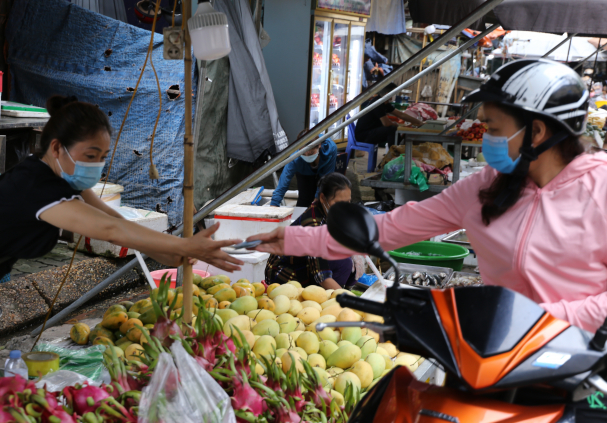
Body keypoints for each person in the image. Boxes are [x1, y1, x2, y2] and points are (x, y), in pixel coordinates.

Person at [248, 59, 607, 334]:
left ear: (538, 132)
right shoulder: (486, 187)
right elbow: (389, 228)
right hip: (499, 356)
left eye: (494, 129)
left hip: (580, 366)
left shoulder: (599, 188)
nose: (486, 140)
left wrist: (547, 318)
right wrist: (294, 237)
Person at [0, 96, 243, 302]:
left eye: (102, 157)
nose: (96, 165)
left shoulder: (60, 175)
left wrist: (163, 250)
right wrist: (183, 246)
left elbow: (114, 220)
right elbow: (107, 231)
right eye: (90, 155)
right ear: (56, 148)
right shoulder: (35, 189)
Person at [265, 173, 354, 290]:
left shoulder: (327, 211)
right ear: (323, 198)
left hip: (303, 262)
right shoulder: (313, 227)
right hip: (283, 273)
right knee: (343, 263)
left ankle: (344, 291)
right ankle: (333, 299)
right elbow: (322, 276)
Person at [269, 129, 337, 208]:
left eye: (311, 153)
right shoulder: (294, 158)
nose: (307, 156)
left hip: (325, 171)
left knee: (323, 200)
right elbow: (283, 183)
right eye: (303, 153)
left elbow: (325, 179)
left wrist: (317, 198)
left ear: (319, 145)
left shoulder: (330, 149)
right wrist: (274, 204)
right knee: (304, 199)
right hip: (304, 172)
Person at [354, 83, 424, 149]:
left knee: (394, 129)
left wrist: (419, 122)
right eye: (394, 93)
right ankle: (394, 154)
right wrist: (396, 124)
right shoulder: (377, 103)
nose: (395, 95)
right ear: (388, 94)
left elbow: (401, 114)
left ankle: (398, 152)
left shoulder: (385, 102)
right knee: (392, 129)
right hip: (363, 135)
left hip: (370, 132)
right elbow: (386, 123)